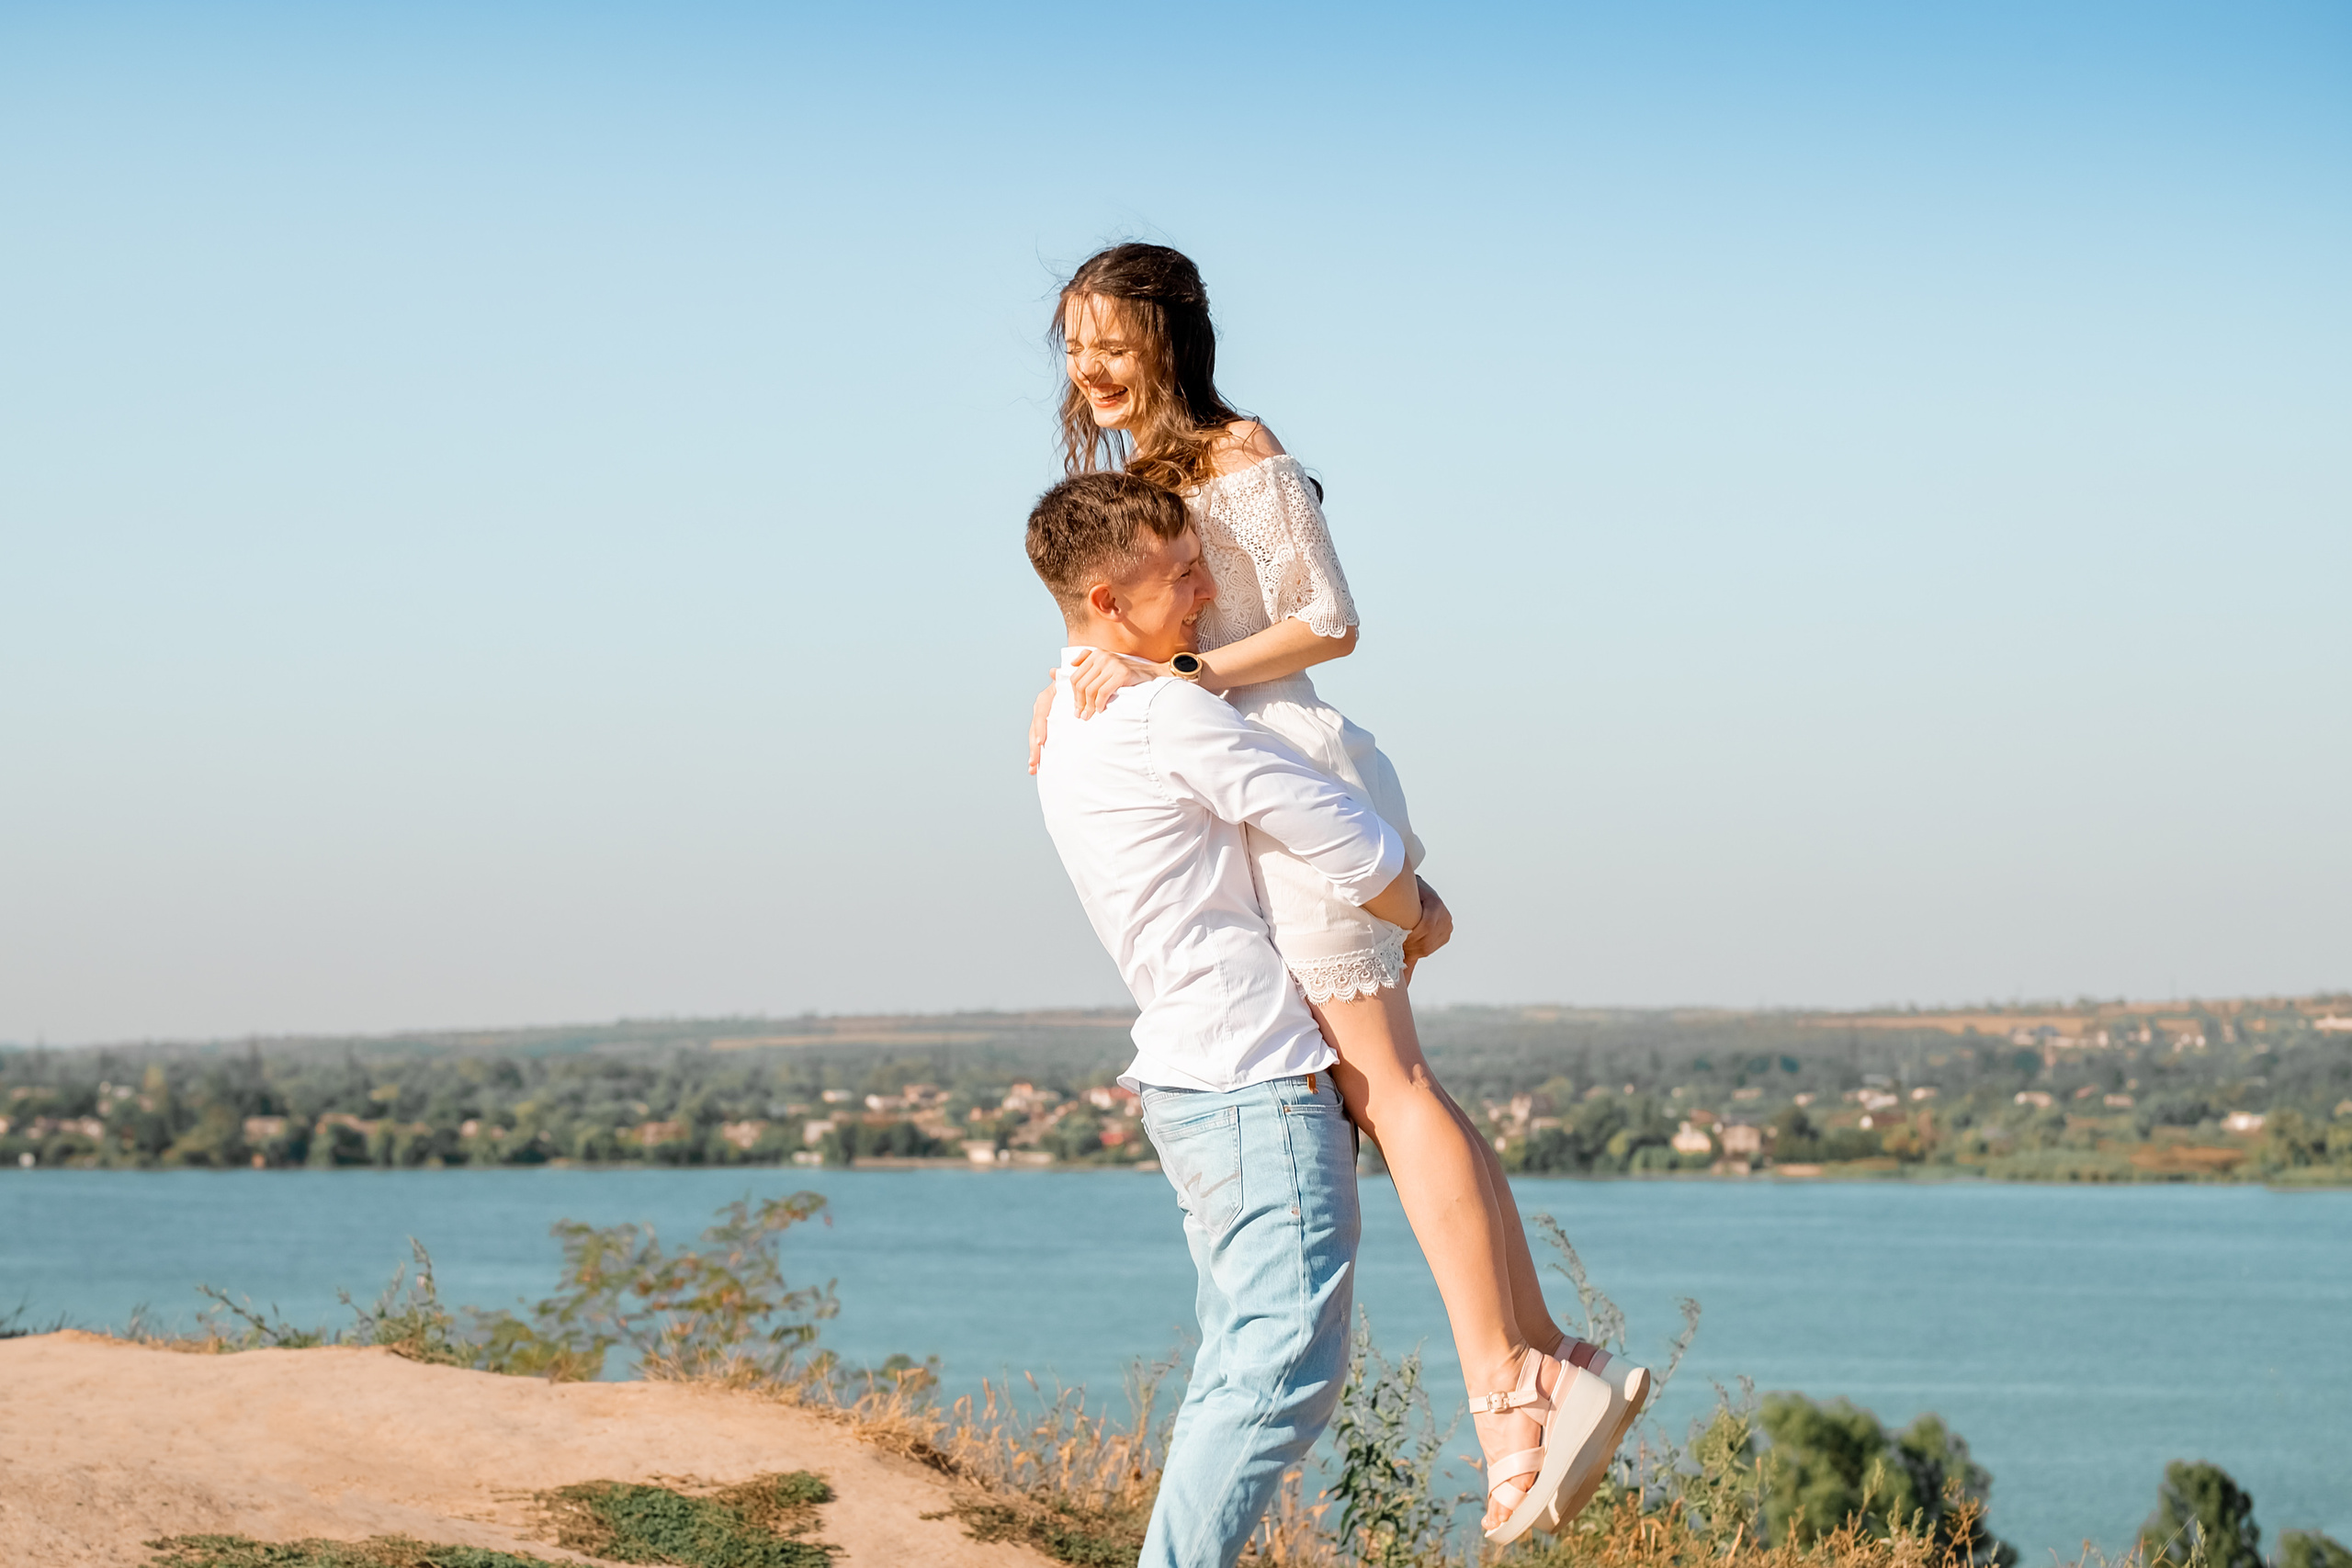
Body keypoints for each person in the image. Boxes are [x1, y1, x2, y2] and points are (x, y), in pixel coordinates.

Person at [1026, 243, 1647, 1541]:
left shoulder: (1238, 450)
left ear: (1169, 337)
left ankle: (1514, 1389)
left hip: (1287, 776)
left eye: (1112, 340)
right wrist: (1071, 677)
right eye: (1074, 342)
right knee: (1392, 1087)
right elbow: (1118, 621)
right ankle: (1545, 1359)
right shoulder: (1129, 485)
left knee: (1387, 1087)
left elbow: (1328, 616)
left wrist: (1177, 670)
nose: (1091, 365)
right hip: (1238, 795)